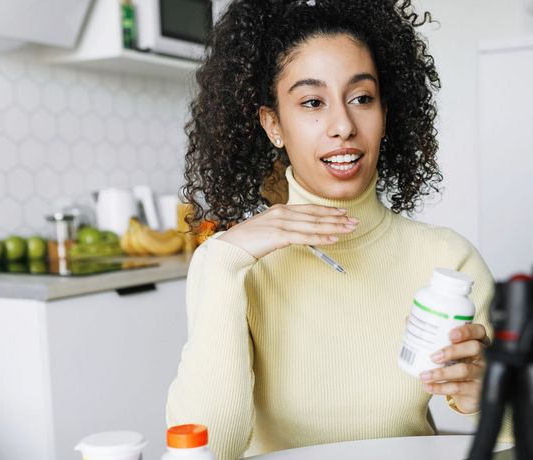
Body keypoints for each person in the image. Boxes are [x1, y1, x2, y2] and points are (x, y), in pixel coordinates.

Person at [166, 1, 511, 459]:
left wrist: (488, 396)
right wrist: (224, 259)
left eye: (361, 98)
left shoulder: (446, 260)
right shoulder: (234, 262)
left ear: (384, 114)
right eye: (312, 102)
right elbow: (209, 448)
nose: (344, 126)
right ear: (274, 124)